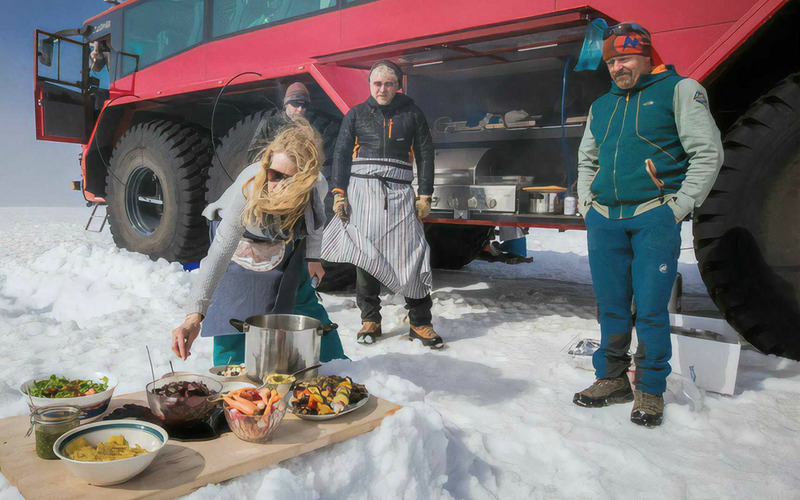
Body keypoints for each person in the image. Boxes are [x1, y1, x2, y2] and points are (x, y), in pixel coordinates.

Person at [573, 23, 723, 427]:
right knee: (611, 307)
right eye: (610, 61)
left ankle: (650, 389)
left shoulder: (679, 90)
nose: (617, 67)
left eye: (624, 58)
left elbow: (707, 152)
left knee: (652, 309)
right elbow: (587, 159)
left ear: (646, 56)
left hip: (653, 215)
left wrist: (678, 207)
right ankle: (611, 378)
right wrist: (588, 203)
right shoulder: (601, 105)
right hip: (605, 218)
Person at [171, 122, 342, 363]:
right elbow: (219, 254)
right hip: (238, 239)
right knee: (234, 304)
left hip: (282, 240)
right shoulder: (249, 189)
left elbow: (315, 224)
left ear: (305, 181)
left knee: (299, 295)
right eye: (274, 174)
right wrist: (193, 316)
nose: (276, 184)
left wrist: (313, 258)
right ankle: (233, 373)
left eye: (288, 178)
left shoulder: (316, 186)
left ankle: (333, 363)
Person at [321, 60, 442, 348]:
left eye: (388, 83)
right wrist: (339, 193)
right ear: (370, 85)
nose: (382, 89)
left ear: (397, 85)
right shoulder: (356, 115)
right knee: (366, 255)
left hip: (400, 194)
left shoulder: (412, 113)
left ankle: (420, 322)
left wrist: (425, 194)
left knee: (412, 254)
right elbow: (340, 154)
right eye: (377, 83)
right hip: (363, 193)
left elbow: (426, 153)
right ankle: (370, 320)